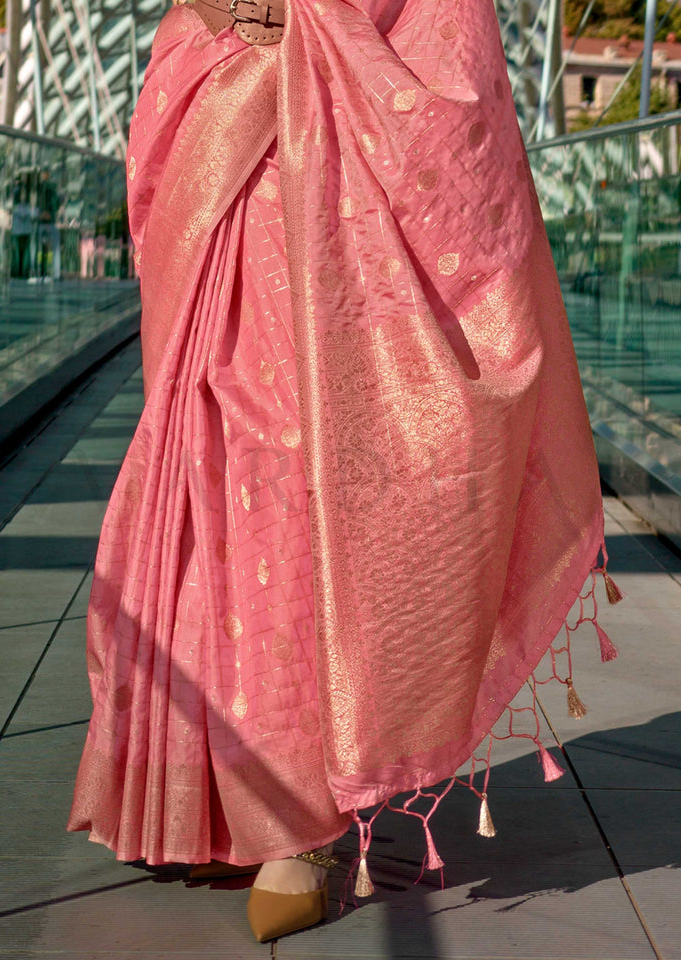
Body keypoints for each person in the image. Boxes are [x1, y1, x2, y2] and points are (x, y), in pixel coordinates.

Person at [68, 0, 622, 942]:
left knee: (290, 475)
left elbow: (448, 41)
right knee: (199, 454)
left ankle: (296, 817)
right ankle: (204, 790)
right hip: (212, 127)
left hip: (330, 171)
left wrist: (312, 28)